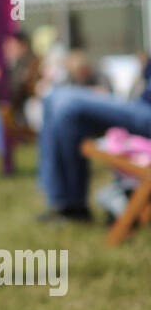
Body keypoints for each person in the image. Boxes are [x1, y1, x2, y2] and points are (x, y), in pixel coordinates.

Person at [37, 54, 151, 220]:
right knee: (53, 97)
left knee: (66, 105)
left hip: (145, 112)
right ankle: (62, 201)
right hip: (138, 105)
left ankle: (70, 204)